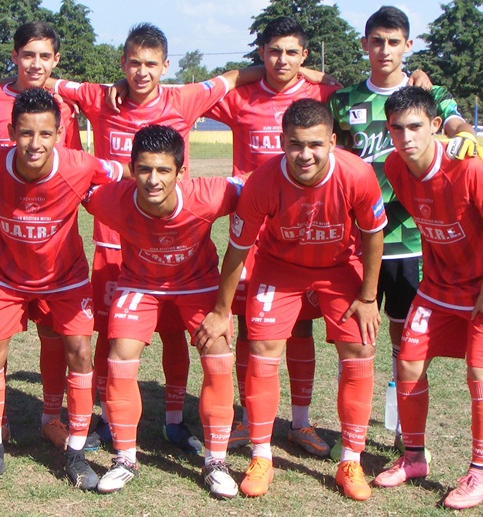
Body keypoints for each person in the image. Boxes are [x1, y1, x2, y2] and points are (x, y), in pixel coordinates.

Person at [52, 22, 265, 453]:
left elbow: (235, 76)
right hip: (115, 238)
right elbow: (44, 78)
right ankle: (111, 419)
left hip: (174, 240)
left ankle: (173, 420)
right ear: (122, 63)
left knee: (173, 333)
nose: (142, 72)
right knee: (112, 335)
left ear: (165, 66)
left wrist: (311, 76)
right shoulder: (99, 96)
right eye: (133, 63)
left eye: (151, 64)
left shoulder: (185, 98)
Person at [196, 99, 387, 501]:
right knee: (263, 347)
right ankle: (261, 455)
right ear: (282, 142)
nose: (305, 154)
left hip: (338, 266)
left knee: (360, 347)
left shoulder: (357, 173)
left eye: (315, 144)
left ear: (332, 142)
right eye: (296, 144)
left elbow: (373, 234)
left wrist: (368, 297)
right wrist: (220, 310)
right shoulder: (263, 181)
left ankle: (351, 460)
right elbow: (238, 247)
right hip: (279, 267)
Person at [328, 5, 482, 452]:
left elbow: (453, 121)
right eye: (376, 41)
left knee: (405, 344)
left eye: (394, 42)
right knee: (355, 343)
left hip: (410, 241)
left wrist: (464, 134)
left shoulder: (425, 94)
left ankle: (402, 431)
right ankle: (353, 436)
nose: (385, 50)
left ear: (408, 46)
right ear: (364, 45)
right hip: (359, 242)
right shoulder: (343, 100)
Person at [0, 88, 124, 491]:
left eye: (45, 134)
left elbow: (127, 173)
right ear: (10, 132)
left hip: (65, 278)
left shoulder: (79, 165)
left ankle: (76, 454)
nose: (35, 143)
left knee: (79, 351)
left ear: (59, 134)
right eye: (25, 133)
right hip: (6, 277)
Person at [373, 86, 483, 510]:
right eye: (397, 129)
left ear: (435, 125)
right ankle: (414, 457)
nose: (406, 137)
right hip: (439, 285)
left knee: (480, 372)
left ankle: (480, 475)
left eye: (415, 126)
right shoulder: (395, 167)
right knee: (408, 362)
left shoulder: (471, 168)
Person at [204, 16, 340, 454]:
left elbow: (367, 93)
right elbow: (192, 98)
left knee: (300, 328)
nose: (282, 60)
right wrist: (245, 73)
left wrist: (314, 74)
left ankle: (300, 422)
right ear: (261, 53)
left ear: (304, 55)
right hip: (252, 232)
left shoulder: (322, 95)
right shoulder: (242, 98)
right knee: (249, 327)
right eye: (273, 51)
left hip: (302, 231)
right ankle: (249, 419)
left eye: (292, 52)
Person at [83, 125, 242, 498]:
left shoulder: (209, 195)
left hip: (198, 283)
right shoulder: (110, 199)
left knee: (218, 354)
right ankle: (125, 459)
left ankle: (215, 461)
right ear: (132, 169)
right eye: (144, 169)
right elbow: (69, 182)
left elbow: (258, 188)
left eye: (163, 170)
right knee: (119, 354)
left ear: (181, 172)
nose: (153, 180)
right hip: (140, 283)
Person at [0, 21, 89, 455]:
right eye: (27, 55)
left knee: (54, 333)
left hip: (52, 242)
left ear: (56, 60)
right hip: (0, 239)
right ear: (14, 56)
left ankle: (51, 419)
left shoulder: (64, 106)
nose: (35, 64)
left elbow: (66, 168)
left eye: (44, 56)